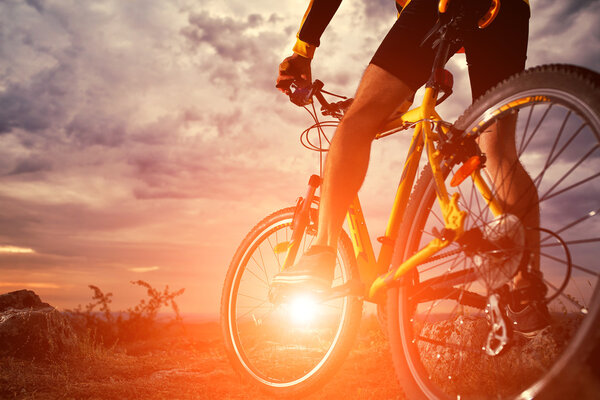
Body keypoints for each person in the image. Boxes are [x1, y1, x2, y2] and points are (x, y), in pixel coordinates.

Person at [273, 0, 550, 335]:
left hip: (443, 6)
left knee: (359, 118)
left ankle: (321, 251)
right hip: (507, 11)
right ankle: (525, 288)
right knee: (499, 149)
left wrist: (302, 50)